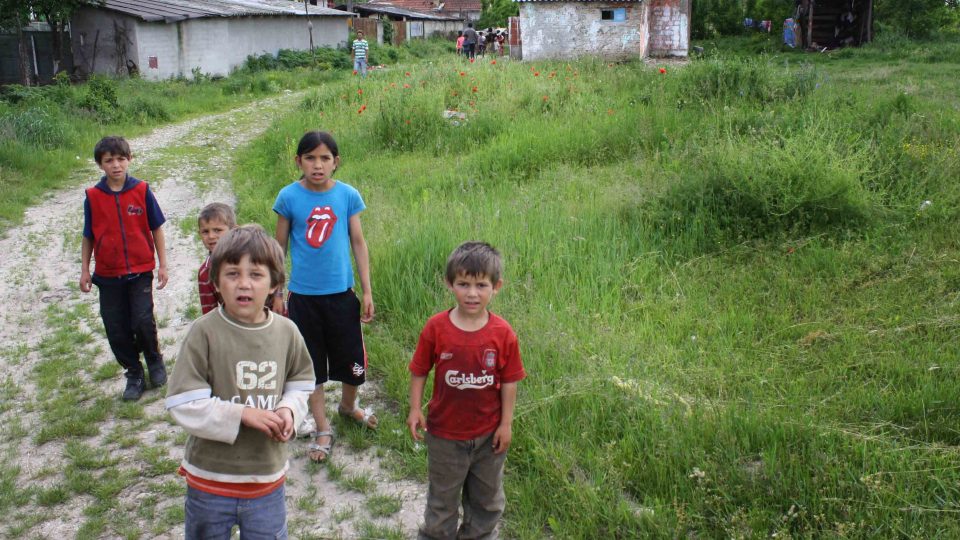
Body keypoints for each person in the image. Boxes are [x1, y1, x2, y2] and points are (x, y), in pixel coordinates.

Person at [166, 224, 315, 539]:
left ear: (275, 284)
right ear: (216, 282)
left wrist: (289, 410)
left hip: (266, 480)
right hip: (210, 480)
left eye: (256, 275)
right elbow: (183, 402)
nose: (243, 283)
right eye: (232, 273)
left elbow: (301, 382)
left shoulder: (287, 333)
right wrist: (242, 414)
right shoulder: (203, 332)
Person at [407, 241, 526, 540]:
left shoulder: (503, 334)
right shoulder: (436, 328)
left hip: (489, 438)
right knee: (442, 503)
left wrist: (506, 424)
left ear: (496, 286)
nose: (472, 293)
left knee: (487, 502)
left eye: (481, 285)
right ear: (449, 284)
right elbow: (420, 369)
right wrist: (415, 408)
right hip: (445, 435)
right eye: (463, 284)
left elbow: (510, 380)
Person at [272, 130, 376, 463]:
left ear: (336, 162)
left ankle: (348, 406)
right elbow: (279, 248)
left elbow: (358, 242)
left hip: (342, 296)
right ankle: (321, 426)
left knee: (350, 358)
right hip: (303, 299)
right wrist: (276, 290)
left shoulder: (347, 196)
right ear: (298, 161)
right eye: (310, 158)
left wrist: (367, 289)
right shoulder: (288, 197)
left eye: (325, 158)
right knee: (311, 365)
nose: (318, 165)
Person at [80, 135, 168, 401]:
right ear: (100, 165)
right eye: (109, 161)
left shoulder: (141, 190)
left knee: (142, 320)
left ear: (130, 160)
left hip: (140, 271)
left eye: (121, 159)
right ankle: (133, 371)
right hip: (107, 276)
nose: (116, 165)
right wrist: (85, 269)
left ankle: (154, 358)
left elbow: (156, 228)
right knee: (115, 328)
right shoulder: (93, 197)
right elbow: (88, 236)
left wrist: (163, 264)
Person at [197, 202, 237, 315]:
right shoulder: (205, 273)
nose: (211, 236)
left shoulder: (252, 255)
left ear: (234, 230)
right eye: (205, 231)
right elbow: (209, 313)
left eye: (217, 230)